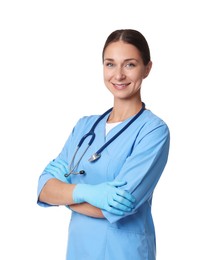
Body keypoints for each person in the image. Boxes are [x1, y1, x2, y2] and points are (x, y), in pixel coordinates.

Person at [37, 29, 170, 260]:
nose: (118, 75)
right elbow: (44, 189)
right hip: (79, 250)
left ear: (147, 68)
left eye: (129, 65)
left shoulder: (153, 131)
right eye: (110, 64)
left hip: (123, 252)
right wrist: (86, 192)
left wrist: (66, 196)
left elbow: (118, 206)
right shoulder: (84, 127)